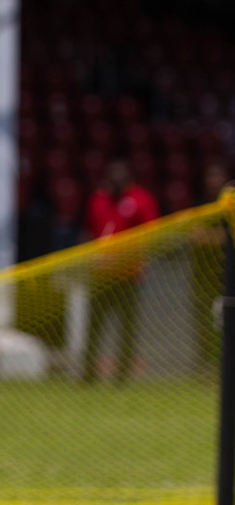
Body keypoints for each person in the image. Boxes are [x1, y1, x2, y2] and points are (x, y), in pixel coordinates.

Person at [81, 157, 160, 384]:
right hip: (100, 274)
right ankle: (88, 374)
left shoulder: (141, 199)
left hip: (128, 275)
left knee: (127, 328)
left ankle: (122, 376)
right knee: (93, 327)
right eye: (110, 176)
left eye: (119, 176)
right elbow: (88, 230)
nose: (114, 181)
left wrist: (139, 260)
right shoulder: (98, 198)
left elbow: (151, 234)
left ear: (128, 178)